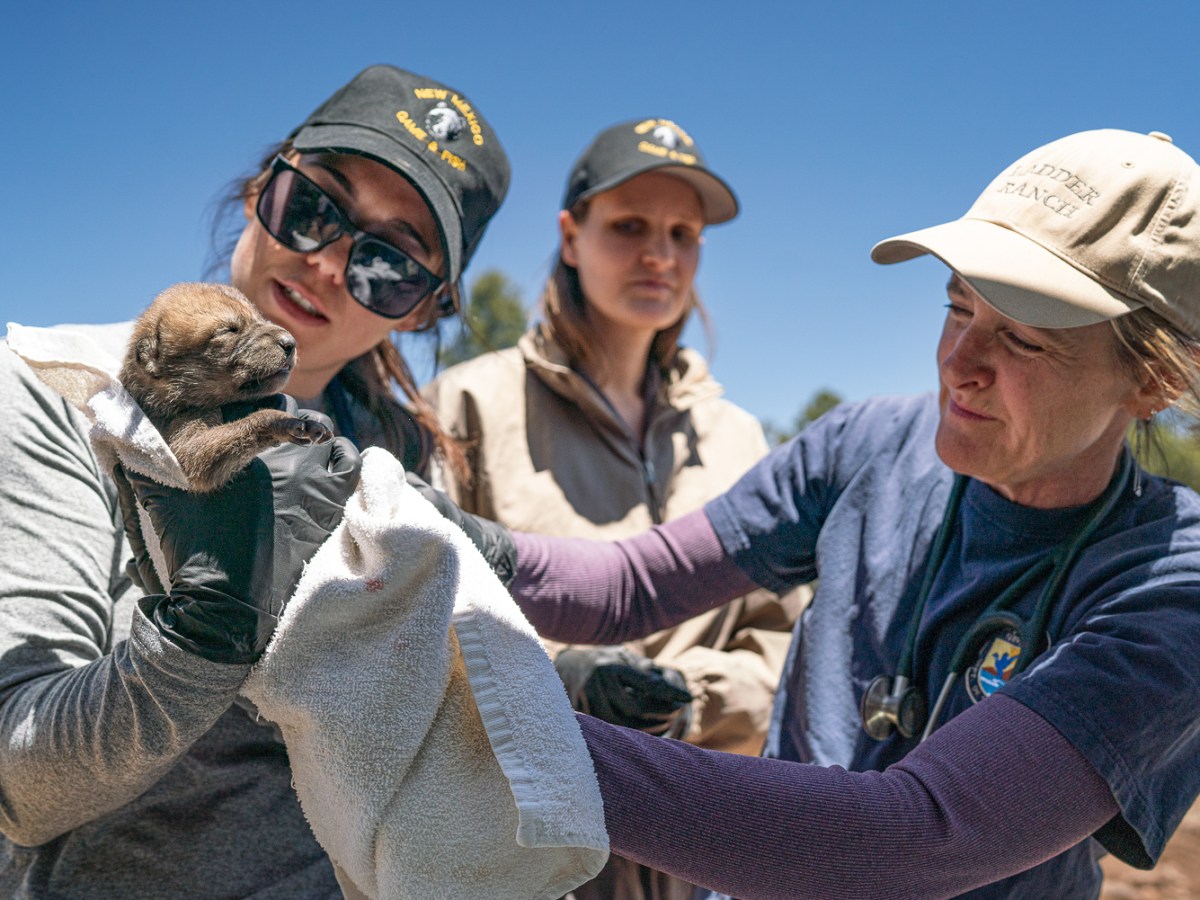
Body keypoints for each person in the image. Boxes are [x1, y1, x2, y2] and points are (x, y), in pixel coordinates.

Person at [418, 128, 1200, 898]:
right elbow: (632, 586)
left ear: (1154, 381)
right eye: (958, 306)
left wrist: (493, 727)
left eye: (1025, 341)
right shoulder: (871, 446)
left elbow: (917, 837)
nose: (959, 365)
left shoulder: (1167, 586)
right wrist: (424, 529)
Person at [0, 63, 509, 897]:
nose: (330, 265)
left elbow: (454, 715)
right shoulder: (62, 389)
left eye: (390, 265)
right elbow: (20, 787)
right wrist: (196, 642)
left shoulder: (414, 464)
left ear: (423, 309)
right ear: (257, 192)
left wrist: (573, 681)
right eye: (312, 208)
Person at [427, 118, 807, 899]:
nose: (660, 255)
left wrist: (687, 701)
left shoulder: (737, 438)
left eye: (682, 233)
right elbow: (412, 612)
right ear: (571, 236)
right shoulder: (469, 403)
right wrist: (561, 679)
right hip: (520, 858)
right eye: (629, 226)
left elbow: (786, 642)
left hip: (693, 857)